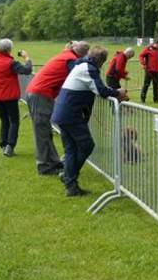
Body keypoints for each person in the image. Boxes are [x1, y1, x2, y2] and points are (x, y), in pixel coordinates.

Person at [52, 46, 128, 196]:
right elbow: (101, 91)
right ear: (100, 61)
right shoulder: (89, 68)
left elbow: (95, 87)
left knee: (71, 150)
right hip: (71, 115)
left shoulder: (81, 65)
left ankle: (70, 185)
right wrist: (118, 92)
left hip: (63, 113)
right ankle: (69, 177)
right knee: (87, 146)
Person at [26, 41, 90, 175]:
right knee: (42, 132)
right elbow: (82, 77)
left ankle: (52, 163)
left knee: (45, 131)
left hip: (40, 93)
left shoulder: (65, 56)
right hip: (40, 94)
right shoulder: (71, 59)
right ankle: (45, 166)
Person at [0, 39, 33, 157]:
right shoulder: (11, 63)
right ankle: (10, 146)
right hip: (9, 96)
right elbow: (27, 70)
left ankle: (3, 144)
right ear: (9, 49)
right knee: (14, 121)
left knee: (4, 120)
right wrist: (26, 58)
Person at [139, 39, 158, 103]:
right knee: (146, 85)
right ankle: (143, 98)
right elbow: (141, 55)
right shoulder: (148, 48)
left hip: (157, 71)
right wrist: (143, 63)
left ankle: (155, 99)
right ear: (156, 43)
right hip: (149, 70)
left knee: (156, 85)